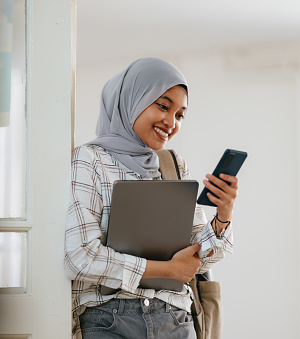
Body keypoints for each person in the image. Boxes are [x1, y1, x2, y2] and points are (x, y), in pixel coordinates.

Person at [64, 58, 238, 339]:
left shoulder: (172, 164)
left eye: (180, 115)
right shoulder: (88, 160)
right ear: (132, 99)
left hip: (175, 320)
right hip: (109, 320)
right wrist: (167, 270)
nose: (171, 122)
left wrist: (224, 213)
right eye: (163, 106)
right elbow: (79, 256)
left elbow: (198, 261)